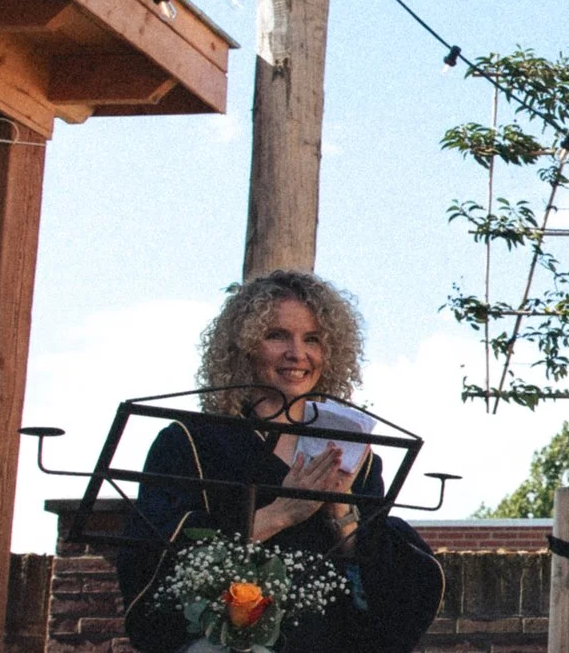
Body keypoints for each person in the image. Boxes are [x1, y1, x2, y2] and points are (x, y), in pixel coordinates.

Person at [115, 270, 443, 653]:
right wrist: (281, 514)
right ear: (246, 345)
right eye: (277, 335)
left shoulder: (355, 452)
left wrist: (343, 511)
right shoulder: (189, 442)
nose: (297, 354)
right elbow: (155, 565)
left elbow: (377, 597)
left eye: (312, 339)